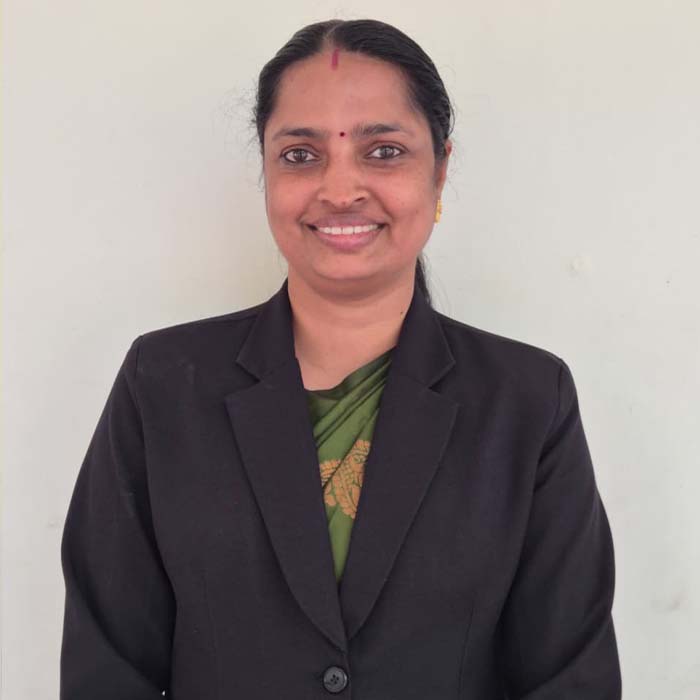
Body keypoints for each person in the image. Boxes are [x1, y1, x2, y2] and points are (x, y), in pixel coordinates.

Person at [59, 18, 622, 699]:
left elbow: (570, 679)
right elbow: (106, 669)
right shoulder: (163, 385)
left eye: (384, 151)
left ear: (440, 169)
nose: (340, 188)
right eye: (301, 155)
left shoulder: (526, 402)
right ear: (266, 170)